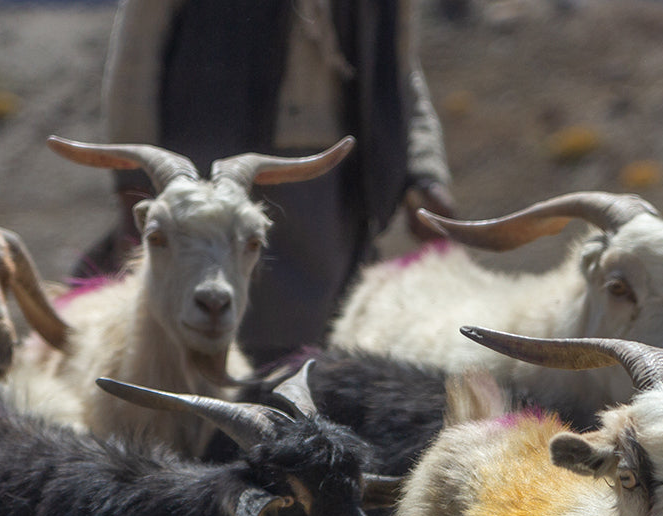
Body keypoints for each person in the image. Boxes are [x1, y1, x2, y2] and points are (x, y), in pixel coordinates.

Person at [86, 0, 456, 366]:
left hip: (333, 191)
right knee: (196, 343)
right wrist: (132, 183)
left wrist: (424, 172)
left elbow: (395, 69)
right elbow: (136, 60)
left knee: (315, 353)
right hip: (209, 192)